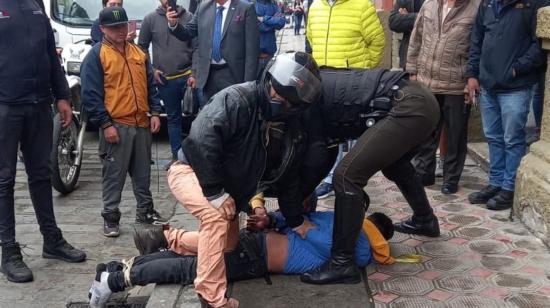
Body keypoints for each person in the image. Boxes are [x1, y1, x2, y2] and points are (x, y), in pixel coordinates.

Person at [164, 52, 322, 307]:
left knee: (229, 246)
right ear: (268, 80)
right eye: (276, 94)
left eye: (286, 101)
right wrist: (215, 192)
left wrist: (296, 221)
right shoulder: (237, 98)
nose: (278, 101)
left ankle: (170, 239)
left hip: (227, 191)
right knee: (214, 217)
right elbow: (200, 140)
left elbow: (289, 178)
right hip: (190, 171)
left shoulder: (292, 129)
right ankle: (211, 297)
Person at [299, 67, 440, 285]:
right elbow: (325, 152)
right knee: (395, 165)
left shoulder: (306, 101)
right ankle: (425, 220)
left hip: (408, 105)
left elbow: (318, 156)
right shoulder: (312, 85)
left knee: (346, 176)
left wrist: (301, 195)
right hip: (420, 100)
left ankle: (342, 263)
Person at [89, 210, 395, 308]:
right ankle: (114, 280)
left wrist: (283, 222)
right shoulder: (361, 243)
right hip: (258, 257)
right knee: (190, 269)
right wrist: (301, 228)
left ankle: (117, 269)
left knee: (190, 258)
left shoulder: (340, 218)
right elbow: (323, 243)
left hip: (257, 243)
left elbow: (297, 219)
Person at [0, 0, 86, 283]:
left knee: (41, 174)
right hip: (6, 106)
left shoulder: (35, 4)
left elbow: (50, 52)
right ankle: (9, 252)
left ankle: (52, 240)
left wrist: (62, 95)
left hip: (39, 104)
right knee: (4, 180)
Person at [81, 7, 167, 237]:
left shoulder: (138, 53)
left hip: (141, 123)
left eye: (124, 25)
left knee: (142, 173)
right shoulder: (96, 55)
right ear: (102, 29)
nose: (121, 30)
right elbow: (90, 95)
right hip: (116, 124)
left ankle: (145, 212)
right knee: (113, 174)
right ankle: (110, 217)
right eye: (114, 27)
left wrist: (156, 112)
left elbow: (150, 85)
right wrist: (105, 124)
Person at [465, 0, 546, 210]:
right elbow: (477, 39)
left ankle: (509, 188)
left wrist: (516, 69)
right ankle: (496, 182)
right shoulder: (488, 4)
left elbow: (539, 44)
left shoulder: (533, 4)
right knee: (493, 136)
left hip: (516, 86)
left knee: (512, 139)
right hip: (488, 84)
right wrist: (473, 74)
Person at [307, 0, 386, 199]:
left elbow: (377, 42)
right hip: (323, 82)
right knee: (327, 134)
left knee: (352, 135)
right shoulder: (316, 6)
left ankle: (349, 179)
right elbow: (311, 40)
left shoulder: (362, 6)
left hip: (352, 84)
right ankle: (328, 179)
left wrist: (364, 71)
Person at [406, 0, 481, 194]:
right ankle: (424, 173)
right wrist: (413, 71)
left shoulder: (475, 8)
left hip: (456, 84)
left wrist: (470, 80)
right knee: (426, 132)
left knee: (455, 135)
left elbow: (477, 46)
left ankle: (451, 178)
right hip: (427, 81)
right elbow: (416, 38)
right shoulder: (429, 5)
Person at [166, 0, 260, 101]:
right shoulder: (203, 7)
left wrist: (247, 85)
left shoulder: (246, 8)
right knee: (211, 115)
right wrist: (173, 24)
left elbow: (252, 52)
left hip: (233, 75)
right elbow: (188, 32)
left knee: (233, 114)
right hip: (208, 76)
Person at [138, 0, 195, 164]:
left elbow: (197, 46)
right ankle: (177, 158)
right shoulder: (150, 19)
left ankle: (195, 156)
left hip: (188, 76)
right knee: (173, 119)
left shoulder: (189, 17)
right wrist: (152, 69)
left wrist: (195, 71)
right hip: (165, 79)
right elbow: (142, 47)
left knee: (197, 118)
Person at [388, 0, 424, 70]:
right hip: (407, 59)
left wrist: (407, 17)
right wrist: (416, 18)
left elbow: (434, 20)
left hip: (427, 59)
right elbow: (392, 21)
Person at [255, 0, 286, 77]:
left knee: (268, 84)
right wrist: (272, 22)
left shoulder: (274, 6)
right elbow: (257, 26)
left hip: (270, 56)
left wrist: (263, 18)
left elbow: (281, 22)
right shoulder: (250, 4)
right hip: (253, 58)